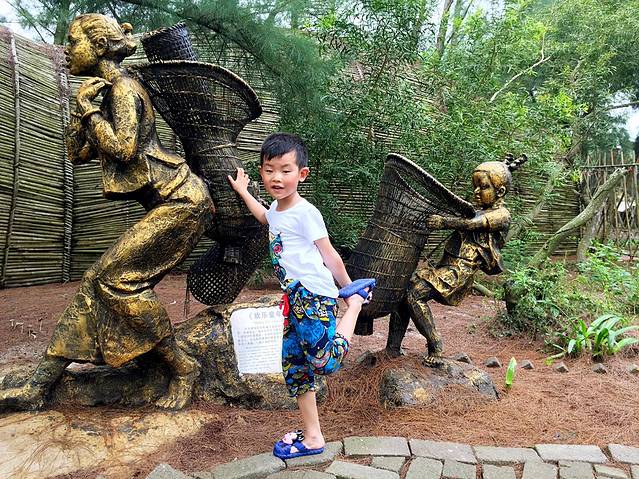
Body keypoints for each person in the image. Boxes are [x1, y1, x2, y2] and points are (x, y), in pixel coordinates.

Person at [0, 14, 213, 412]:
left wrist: (88, 109)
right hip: (169, 203)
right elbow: (77, 152)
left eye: (73, 42)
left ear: (98, 47)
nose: (67, 51)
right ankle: (40, 385)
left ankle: (183, 368)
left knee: (115, 280)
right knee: (97, 280)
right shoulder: (105, 94)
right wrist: (81, 109)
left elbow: (124, 149)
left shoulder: (124, 89)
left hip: (183, 201)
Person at [228, 132, 371, 459]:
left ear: (302, 174)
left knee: (324, 362)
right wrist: (243, 191)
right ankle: (313, 437)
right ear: (262, 172)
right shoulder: (277, 209)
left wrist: (348, 290)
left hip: (315, 296)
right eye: (269, 170)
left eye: (285, 170)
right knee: (294, 367)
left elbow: (329, 254)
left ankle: (356, 304)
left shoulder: (307, 213)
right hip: (293, 299)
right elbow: (264, 217)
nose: (276, 178)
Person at [387, 157, 525, 365]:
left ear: (500, 191)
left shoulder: (501, 215)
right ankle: (392, 348)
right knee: (404, 291)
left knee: (414, 293)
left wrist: (444, 222)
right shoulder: (476, 209)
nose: (476, 192)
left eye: (483, 187)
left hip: (460, 270)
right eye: (475, 186)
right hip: (447, 265)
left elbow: (473, 224)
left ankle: (435, 346)